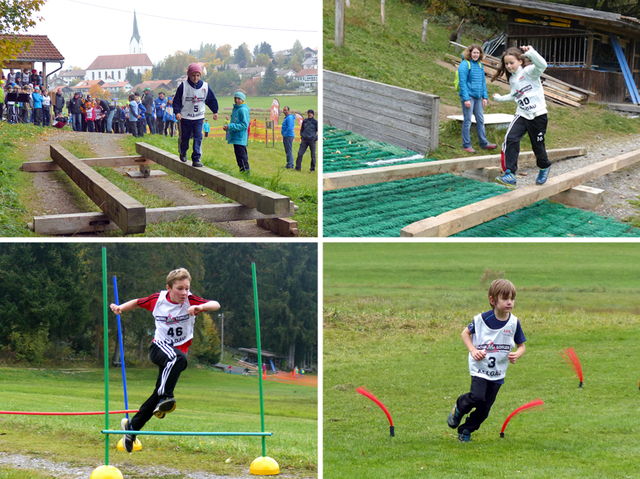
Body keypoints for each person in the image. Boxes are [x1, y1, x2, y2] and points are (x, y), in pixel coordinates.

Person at [109, 268, 220, 453]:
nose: (184, 293)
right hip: (159, 348)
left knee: (158, 395)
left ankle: (132, 428)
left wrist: (201, 307)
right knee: (176, 365)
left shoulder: (191, 300)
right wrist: (120, 308)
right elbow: (137, 302)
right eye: (179, 289)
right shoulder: (157, 300)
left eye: (187, 288)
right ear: (169, 288)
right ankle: (166, 396)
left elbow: (215, 304)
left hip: (176, 357)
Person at [447, 279, 526, 442]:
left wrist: (517, 354)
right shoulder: (481, 320)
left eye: (512, 298)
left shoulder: (513, 323)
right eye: (505, 298)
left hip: (498, 373)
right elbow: (465, 334)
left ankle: (465, 430)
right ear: (492, 300)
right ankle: (460, 406)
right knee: (477, 397)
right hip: (480, 369)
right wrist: (473, 350)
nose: (509, 302)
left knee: (484, 410)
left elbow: (522, 346)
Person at [492, 45, 550, 188]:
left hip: (538, 116)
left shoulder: (529, 72)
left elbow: (543, 65)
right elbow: (515, 95)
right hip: (522, 114)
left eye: (512, 63)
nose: (509, 66)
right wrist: (499, 98)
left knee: (537, 146)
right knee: (510, 139)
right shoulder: (512, 79)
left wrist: (531, 53)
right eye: (506, 64)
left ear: (520, 61)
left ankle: (544, 167)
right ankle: (510, 174)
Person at [174, 63, 219, 168]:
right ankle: (183, 151)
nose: (195, 78)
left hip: (198, 117)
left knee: (198, 137)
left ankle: (196, 158)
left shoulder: (205, 86)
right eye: (193, 75)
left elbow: (211, 100)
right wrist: (177, 112)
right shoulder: (183, 86)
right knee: (185, 138)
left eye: (198, 75)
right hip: (185, 117)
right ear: (189, 75)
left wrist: (215, 111)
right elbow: (176, 101)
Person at [458, 44, 497, 154]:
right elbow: (462, 83)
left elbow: (482, 82)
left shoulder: (480, 65)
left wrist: (485, 97)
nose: (476, 55)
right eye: (474, 52)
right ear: (470, 53)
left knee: (480, 120)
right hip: (468, 96)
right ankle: (466, 145)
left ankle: (484, 143)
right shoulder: (465, 64)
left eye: (478, 53)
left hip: (478, 97)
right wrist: (466, 99)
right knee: (468, 121)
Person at [223, 91, 250, 173]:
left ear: (242, 99)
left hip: (240, 138)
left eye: (239, 98)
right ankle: (242, 172)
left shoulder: (243, 110)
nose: (236, 100)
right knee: (238, 157)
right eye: (235, 98)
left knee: (242, 157)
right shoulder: (235, 108)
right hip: (235, 137)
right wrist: (228, 126)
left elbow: (244, 125)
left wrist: (230, 126)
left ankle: (246, 173)